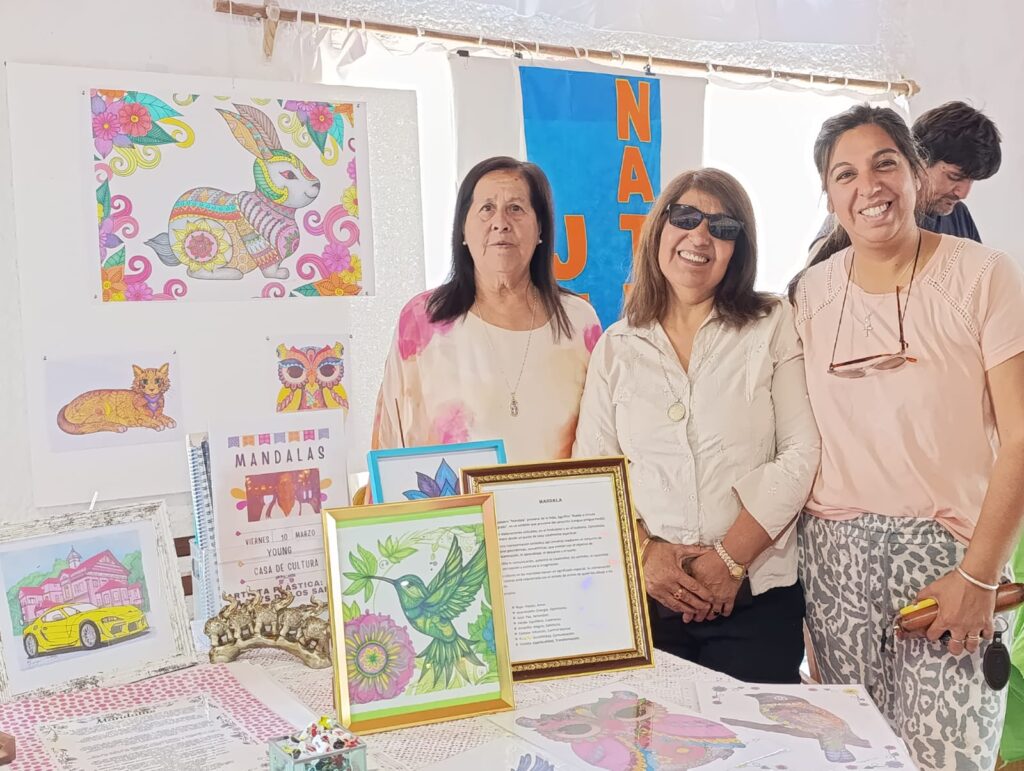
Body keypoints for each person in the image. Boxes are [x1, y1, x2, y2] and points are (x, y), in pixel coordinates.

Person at [790, 104, 1024, 771]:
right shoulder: (809, 293)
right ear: (829, 195)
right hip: (835, 559)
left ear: (915, 173)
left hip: (949, 556)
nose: (869, 185)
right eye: (846, 174)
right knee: (852, 757)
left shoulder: (984, 275)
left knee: (949, 756)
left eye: (885, 163)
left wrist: (979, 575)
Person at [574, 168, 819, 683]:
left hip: (755, 597)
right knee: (648, 732)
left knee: (753, 734)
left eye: (723, 228)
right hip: (647, 602)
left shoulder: (773, 322)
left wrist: (729, 560)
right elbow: (593, 474)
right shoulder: (616, 346)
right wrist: (646, 555)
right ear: (658, 229)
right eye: (685, 218)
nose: (700, 237)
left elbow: (801, 453)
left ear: (737, 250)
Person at [372, 156, 602, 462]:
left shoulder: (578, 321)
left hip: (559, 495)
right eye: (486, 208)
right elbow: (390, 442)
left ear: (540, 228)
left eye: (516, 208)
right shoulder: (423, 320)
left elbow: (601, 438)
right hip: (451, 495)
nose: (500, 223)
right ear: (462, 229)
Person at [810, 100, 1002, 259]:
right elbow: (810, 284)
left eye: (972, 180)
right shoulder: (863, 215)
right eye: (953, 176)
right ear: (918, 161)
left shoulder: (958, 216)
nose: (963, 193)